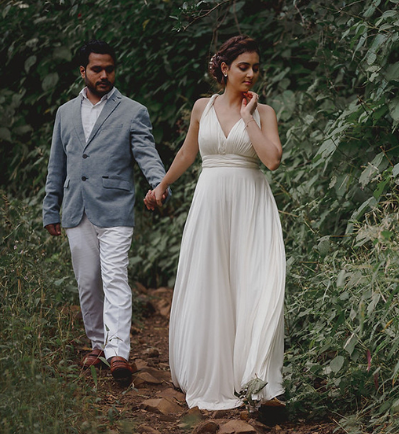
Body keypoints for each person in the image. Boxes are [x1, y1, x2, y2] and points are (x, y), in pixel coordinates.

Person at [144, 35, 285, 410]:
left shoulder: (264, 113)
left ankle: (258, 386)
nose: (252, 74)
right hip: (210, 206)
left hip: (251, 205)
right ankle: (216, 376)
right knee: (214, 286)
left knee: (255, 287)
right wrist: (162, 185)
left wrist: (246, 117)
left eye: (256, 67)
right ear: (225, 69)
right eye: (244, 67)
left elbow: (271, 159)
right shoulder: (201, 108)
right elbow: (188, 152)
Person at [42, 40, 170, 383]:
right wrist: (49, 208)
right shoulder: (65, 112)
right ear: (82, 71)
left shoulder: (132, 111)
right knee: (87, 281)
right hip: (75, 207)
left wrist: (159, 184)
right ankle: (97, 344)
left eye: (109, 69)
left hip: (115, 207)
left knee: (114, 277)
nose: (104, 75)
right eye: (96, 69)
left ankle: (118, 352)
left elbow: (147, 154)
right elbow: (58, 164)